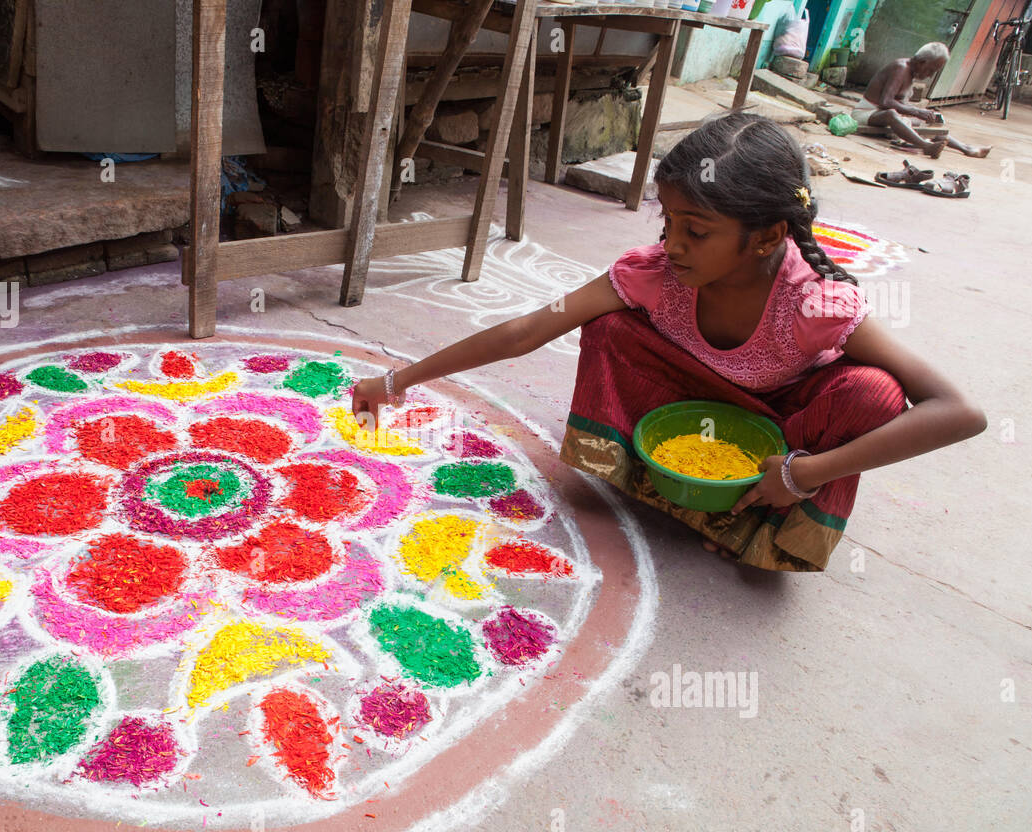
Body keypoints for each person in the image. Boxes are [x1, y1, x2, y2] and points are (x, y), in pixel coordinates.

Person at [350, 113, 987, 572]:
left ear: (766, 237)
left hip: (778, 439)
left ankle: (761, 521)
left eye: (696, 230)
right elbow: (526, 330)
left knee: (873, 392)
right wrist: (396, 381)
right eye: (668, 221)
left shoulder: (813, 303)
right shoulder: (658, 273)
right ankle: (669, 493)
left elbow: (961, 413)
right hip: (692, 411)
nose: (673, 244)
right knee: (607, 322)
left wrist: (803, 473)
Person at [855, 42, 992, 158]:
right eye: (930, 70)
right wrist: (915, 111)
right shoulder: (901, 68)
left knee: (926, 124)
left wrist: (921, 114)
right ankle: (925, 146)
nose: (930, 75)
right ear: (921, 62)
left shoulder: (910, 72)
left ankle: (965, 148)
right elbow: (885, 102)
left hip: (883, 116)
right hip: (866, 113)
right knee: (892, 114)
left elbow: (899, 103)